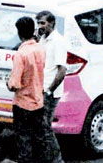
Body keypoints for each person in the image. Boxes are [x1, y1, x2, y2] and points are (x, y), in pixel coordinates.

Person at [6, 16, 47, 163]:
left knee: (23, 137)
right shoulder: (41, 49)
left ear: (19, 33)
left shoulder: (21, 54)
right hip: (38, 100)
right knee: (39, 136)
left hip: (23, 102)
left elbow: (14, 84)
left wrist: (9, 84)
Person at [36, 10, 66, 163]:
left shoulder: (58, 41)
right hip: (40, 89)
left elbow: (62, 70)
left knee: (45, 127)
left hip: (49, 91)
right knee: (41, 127)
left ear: (52, 23)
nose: (40, 26)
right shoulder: (42, 39)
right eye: (38, 23)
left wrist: (49, 90)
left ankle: (56, 159)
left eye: (43, 23)